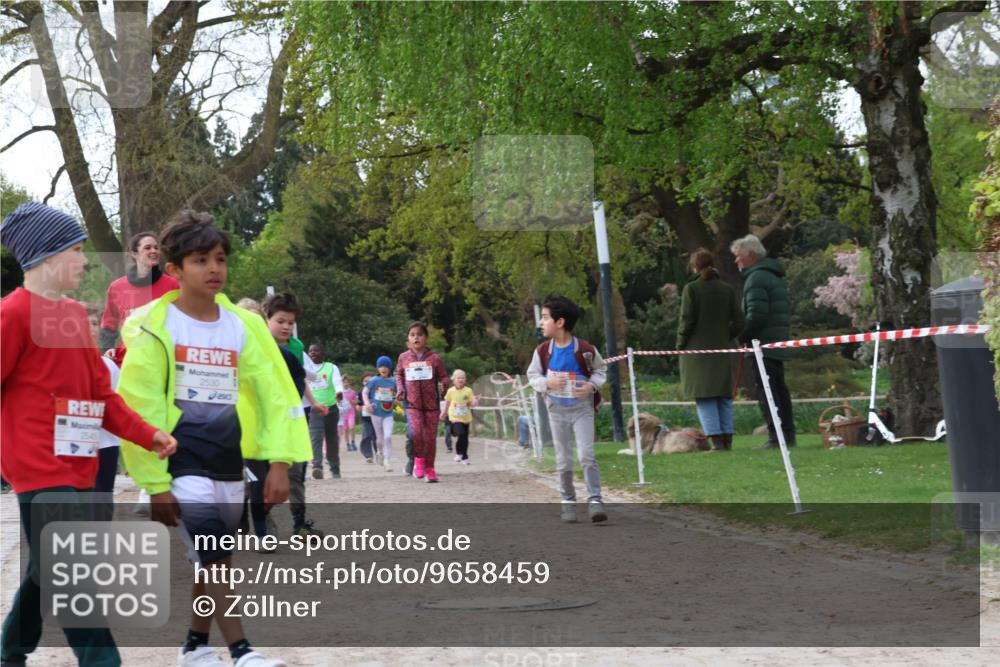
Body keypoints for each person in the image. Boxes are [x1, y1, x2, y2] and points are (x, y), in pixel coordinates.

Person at [116, 210, 309, 667]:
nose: (214, 268)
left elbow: (274, 393)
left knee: (215, 556)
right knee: (214, 554)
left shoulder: (245, 327)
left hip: (228, 461)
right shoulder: (153, 327)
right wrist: (155, 482)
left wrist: (279, 462)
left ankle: (195, 646)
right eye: (200, 259)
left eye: (219, 258)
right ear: (174, 269)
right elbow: (138, 405)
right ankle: (242, 650)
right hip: (179, 462)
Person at [1, 202, 177, 667]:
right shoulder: (13, 314)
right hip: (37, 467)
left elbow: (102, 395)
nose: (84, 260)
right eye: (76, 250)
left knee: (47, 567)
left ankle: (11, 648)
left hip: (82, 464)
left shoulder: (76, 316)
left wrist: (147, 434)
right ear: (47, 257)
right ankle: (103, 662)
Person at [526, 295, 608, 523]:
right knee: (563, 460)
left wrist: (591, 386)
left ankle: (595, 501)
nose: (541, 323)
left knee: (587, 456)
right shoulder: (543, 352)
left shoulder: (585, 349)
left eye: (544, 318)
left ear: (560, 322)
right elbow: (532, 376)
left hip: (582, 409)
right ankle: (568, 503)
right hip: (556, 410)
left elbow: (601, 371)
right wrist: (547, 384)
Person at [261, 292, 326, 537]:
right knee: (264, 473)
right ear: (266, 319)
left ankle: (300, 524)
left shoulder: (297, 347)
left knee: (296, 472)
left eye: (291, 322)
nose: (286, 327)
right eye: (280, 321)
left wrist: (314, 402)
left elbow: (299, 379)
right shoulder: (257, 344)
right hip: (264, 420)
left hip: (293, 416)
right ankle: (262, 522)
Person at [730, 233, 796, 449]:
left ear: (750, 256)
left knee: (767, 391)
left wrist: (741, 335)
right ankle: (787, 434)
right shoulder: (773, 276)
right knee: (779, 389)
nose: (736, 261)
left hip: (763, 344)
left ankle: (776, 437)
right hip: (775, 341)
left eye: (738, 256)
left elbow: (756, 315)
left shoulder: (756, 278)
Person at [677, 249, 745, 452]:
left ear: (694, 266)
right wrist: (726, 336)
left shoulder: (692, 289)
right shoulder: (727, 289)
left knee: (704, 395)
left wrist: (680, 343)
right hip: (721, 350)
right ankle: (727, 441)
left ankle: (715, 442)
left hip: (697, 352)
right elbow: (740, 321)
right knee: (723, 396)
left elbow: (687, 321)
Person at [98, 230, 179, 359]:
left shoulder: (173, 285)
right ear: (134, 253)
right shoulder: (117, 287)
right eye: (147, 248)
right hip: (128, 360)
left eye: (156, 248)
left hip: (163, 358)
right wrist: (107, 349)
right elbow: (108, 324)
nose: (154, 251)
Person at [396, 323, 449, 483]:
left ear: (426, 338)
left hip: (431, 405)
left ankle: (430, 469)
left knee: (430, 438)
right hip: (412, 404)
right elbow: (399, 375)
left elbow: (444, 377)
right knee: (417, 433)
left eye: (419, 334)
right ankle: (418, 459)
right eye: (412, 335)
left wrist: (444, 385)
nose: (416, 337)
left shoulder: (435, 358)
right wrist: (400, 389)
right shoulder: (403, 357)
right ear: (408, 339)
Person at [305, 342, 342, 479]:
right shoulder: (306, 369)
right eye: (310, 351)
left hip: (331, 408)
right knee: (316, 437)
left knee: (331, 439)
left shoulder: (331, 367)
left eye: (316, 351)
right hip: (315, 409)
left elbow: (337, 382)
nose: (312, 353)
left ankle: (335, 468)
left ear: (323, 354)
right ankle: (317, 467)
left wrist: (339, 392)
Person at [366, 357, 399, 472]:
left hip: (388, 413)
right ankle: (379, 452)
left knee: (388, 436)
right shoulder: (374, 380)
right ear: (378, 368)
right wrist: (367, 405)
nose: (383, 369)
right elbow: (364, 393)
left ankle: (387, 461)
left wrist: (397, 399)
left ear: (390, 368)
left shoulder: (393, 381)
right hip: (375, 413)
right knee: (380, 439)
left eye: (386, 366)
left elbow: (398, 394)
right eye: (381, 366)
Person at [442, 369, 478, 464]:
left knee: (465, 438)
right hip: (455, 417)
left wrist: (474, 402)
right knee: (461, 434)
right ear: (454, 380)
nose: (461, 380)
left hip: (466, 417)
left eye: (462, 378)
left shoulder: (468, 391)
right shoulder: (450, 391)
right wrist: (444, 413)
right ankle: (459, 453)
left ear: (465, 380)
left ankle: (464, 456)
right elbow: (447, 402)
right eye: (458, 378)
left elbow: (471, 402)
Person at [358, 372, 378, 464]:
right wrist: (360, 407)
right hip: (366, 418)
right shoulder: (361, 392)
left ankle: (379, 453)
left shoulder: (377, 391)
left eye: (369, 381)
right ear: (362, 382)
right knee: (367, 435)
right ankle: (368, 455)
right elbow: (358, 406)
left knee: (376, 437)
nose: (367, 382)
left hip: (377, 417)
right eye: (365, 381)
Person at [338, 376, 359, 452]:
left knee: (352, 427)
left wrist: (353, 402)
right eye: (344, 382)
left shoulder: (352, 392)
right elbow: (337, 401)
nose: (345, 384)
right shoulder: (340, 392)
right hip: (343, 414)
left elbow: (356, 401)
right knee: (345, 430)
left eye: (347, 382)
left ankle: (353, 442)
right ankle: (348, 444)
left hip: (351, 413)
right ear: (341, 383)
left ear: (349, 383)